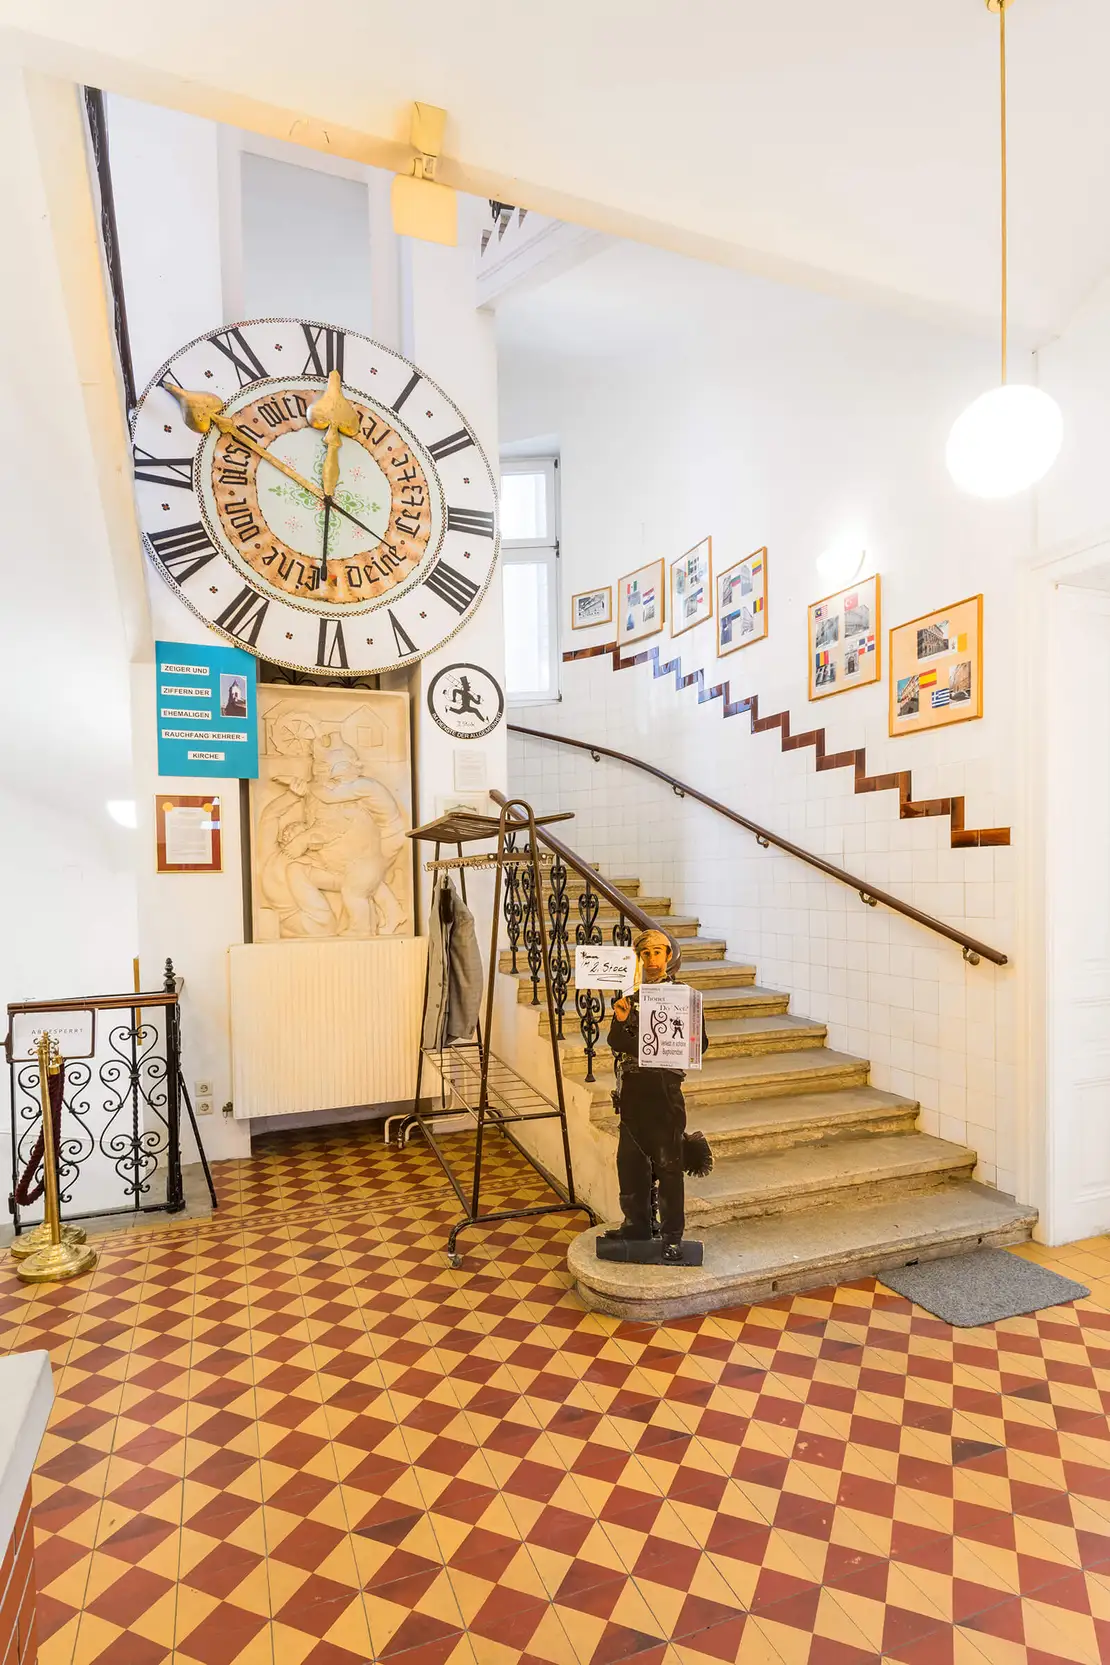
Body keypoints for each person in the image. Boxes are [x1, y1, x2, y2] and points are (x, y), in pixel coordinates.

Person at [605, 928, 709, 1262]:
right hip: (633, 1092)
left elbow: (699, 1044)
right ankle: (636, 1224)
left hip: (664, 1092)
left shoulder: (683, 996)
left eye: (657, 953)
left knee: (669, 1165)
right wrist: (622, 1021)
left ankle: (672, 1235)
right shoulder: (629, 996)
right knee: (629, 1162)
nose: (651, 960)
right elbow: (616, 1043)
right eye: (645, 954)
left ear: (668, 956)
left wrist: (679, 1042)